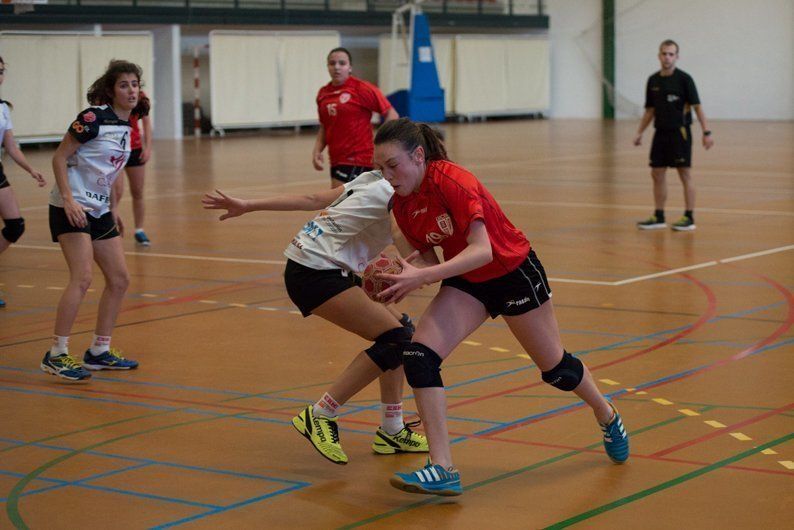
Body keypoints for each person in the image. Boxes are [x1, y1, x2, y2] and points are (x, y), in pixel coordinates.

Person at [372, 118, 630, 497]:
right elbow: (428, 258)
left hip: (512, 272)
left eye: (392, 165)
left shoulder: (453, 180)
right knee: (418, 354)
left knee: (556, 369)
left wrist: (423, 277)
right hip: (469, 281)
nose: (387, 175)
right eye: (380, 168)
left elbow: (483, 250)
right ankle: (442, 467)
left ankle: (606, 413)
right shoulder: (402, 204)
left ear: (419, 155)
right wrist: (405, 275)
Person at [202, 170, 428, 465]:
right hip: (317, 272)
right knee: (397, 339)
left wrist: (249, 204)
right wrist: (428, 269)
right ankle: (321, 413)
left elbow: (314, 199)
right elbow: (398, 232)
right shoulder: (395, 194)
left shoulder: (373, 178)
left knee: (401, 330)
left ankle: (392, 429)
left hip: (311, 265)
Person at [40, 60, 143, 382]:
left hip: (100, 210)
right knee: (82, 278)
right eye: (124, 85)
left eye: (135, 84)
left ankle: (99, 350)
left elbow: (108, 173)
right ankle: (56, 354)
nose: (131, 90)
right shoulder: (92, 118)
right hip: (70, 206)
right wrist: (69, 199)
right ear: (111, 90)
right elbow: (59, 157)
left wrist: (113, 209)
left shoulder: (127, 126)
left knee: (120, 279)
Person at [634, 39, 714, 231]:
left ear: (676, 57)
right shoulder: (653, 80)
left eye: (671, 54)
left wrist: (706, 132)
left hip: (680, 133)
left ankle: (689, 217)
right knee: (657, 173)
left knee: (684, 173)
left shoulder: (685, 79)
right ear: (659, 56)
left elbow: (698, 108)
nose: (667, 57)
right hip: (660, 133)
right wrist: (639, 133)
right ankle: (659, 215)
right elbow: (650, 111)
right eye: (664, 53)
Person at [313, 47, 399, 189]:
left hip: (358, 159)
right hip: (335, 159)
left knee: (337, 202)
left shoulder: (361, 88)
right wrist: (317, 151)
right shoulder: (323, 93)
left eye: (342, 63)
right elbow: (324, 126)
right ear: (327, 66)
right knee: (349, 204)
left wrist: (379, 144)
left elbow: (392, 114)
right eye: (332, 63)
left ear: (350, 67)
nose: (337, 67)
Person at [0, 56, 47, 308]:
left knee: (15, 226)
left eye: (1, 71)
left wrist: (30, 169)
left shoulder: (3, 108)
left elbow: (10, 146)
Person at [115, 89, 152, 246]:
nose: (130, 87)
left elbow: (146, 122)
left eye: (134, 82)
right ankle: (111, 227)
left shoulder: (140, 96)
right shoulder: (108, 95)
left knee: (138, 191)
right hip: (115, 149)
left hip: (135, 148)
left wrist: (148, 147)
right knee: (116, 192)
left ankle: (139, 229)